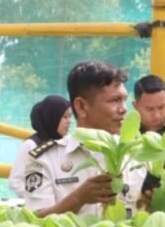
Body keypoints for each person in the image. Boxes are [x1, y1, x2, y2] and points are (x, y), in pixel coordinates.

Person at [17, 61, 146, 217]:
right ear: (81, 107)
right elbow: (35, 220)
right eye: (114, 100)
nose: (123, 109)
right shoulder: (46, 160)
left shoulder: (136, 156)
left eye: (124, 100)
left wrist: (153, 201)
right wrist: (79, 198)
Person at [8, 94, 71, 197]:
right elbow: (16, 182)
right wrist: (40, 198)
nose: (69, 121)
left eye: (70, 117)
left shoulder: (66, 145)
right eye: (65, 116)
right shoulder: (31, 145)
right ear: (51, 117)